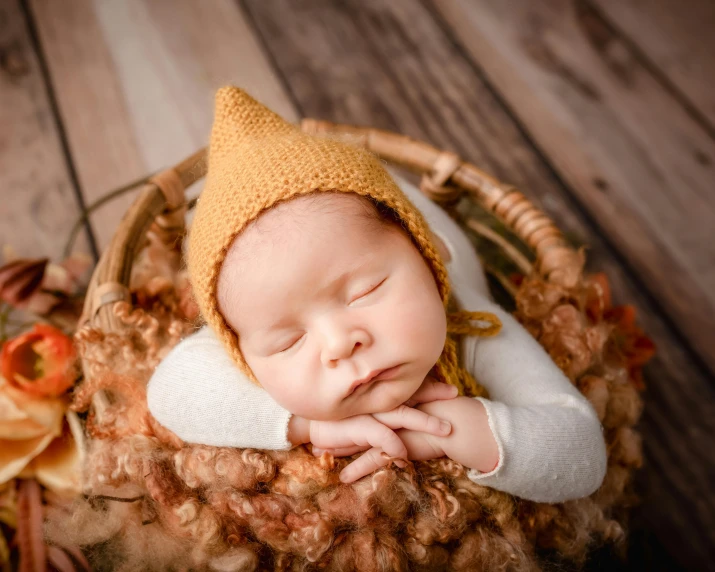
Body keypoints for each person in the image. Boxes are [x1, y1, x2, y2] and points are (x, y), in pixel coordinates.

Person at [147, 86, 607, 503]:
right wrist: (307, 425)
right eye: (288, 341)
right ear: (240, 351)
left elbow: (582, 451)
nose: (340, 343)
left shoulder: (473, 328)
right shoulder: (256, 305)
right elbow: (169, 390)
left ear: (429, 260)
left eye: (366, 291)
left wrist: (457, 430)